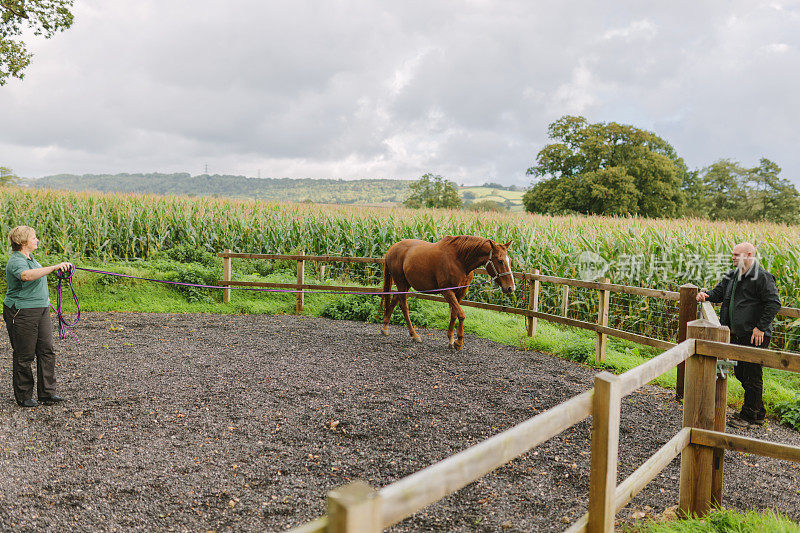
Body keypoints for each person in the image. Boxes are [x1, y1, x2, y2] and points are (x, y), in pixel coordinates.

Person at [696, 242, 782, 428]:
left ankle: (749, 415)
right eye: (733, 254)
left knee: (752, 374)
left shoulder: (762, 277)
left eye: (736, 254)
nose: (733, 257)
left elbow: (774, 303)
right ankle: (757, 411)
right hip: (736, 333)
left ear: (749, 254)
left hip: (754, 335)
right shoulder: (732, 275)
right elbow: (718, 293)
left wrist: (760, 327)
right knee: (742, 373)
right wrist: (706, 296)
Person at [3, 226, 72, 407]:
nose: (37, 240)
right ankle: (24, 396)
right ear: (24, 242)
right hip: (22, 311)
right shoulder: (16, 261)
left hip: (40, 309)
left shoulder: (31, 259)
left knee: (46, 350)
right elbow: (26, 276)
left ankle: (47, 393)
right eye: (34, 238)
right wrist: (53, 267)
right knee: (24, 355)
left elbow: (35, 277)